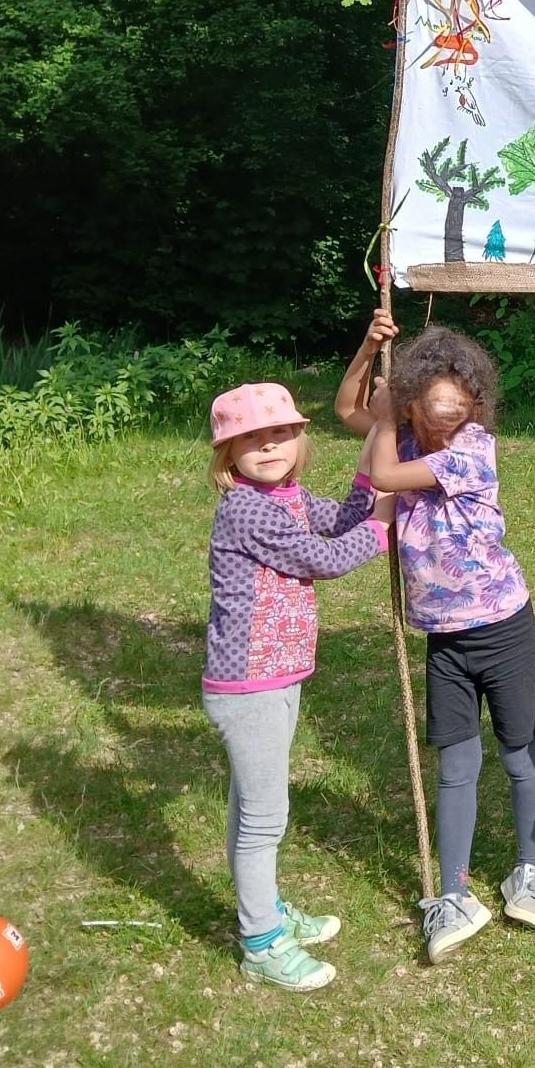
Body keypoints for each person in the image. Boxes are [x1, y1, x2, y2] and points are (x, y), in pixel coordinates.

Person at [346, 325, 535, 963]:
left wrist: (387, 415)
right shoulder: (406, 434)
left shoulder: (469, 451)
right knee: (455, 766)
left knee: (518, 751)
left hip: (502, 629)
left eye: (456, 409)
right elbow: (347, 411)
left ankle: (532, 868)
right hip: (446, 640)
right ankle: (456, 890)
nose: (444, 421)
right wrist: (368, 351)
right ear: (411, 402)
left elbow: (381, 466)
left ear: (474, 408)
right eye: (429, 409)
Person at [204, 380, 393, 991]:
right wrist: (386, 524)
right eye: (250, 440)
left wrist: (378, 447)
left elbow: (341, 520)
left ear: (300, 439)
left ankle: (264, 911)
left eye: (280, 433)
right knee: (264, 817)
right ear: (226, 455)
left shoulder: (287, 496)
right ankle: (260, 942)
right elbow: (327, 558)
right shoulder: (247, 508)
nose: (268, 446)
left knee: (249, 809)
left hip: (274, 674)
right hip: (249, 682)